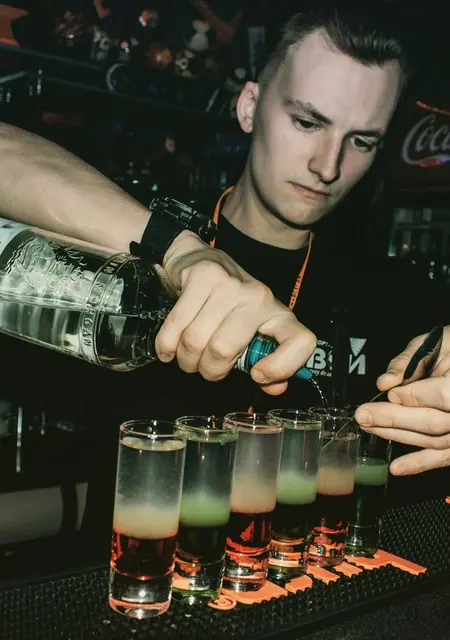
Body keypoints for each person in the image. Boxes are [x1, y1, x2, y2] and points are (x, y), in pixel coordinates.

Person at [0, 1, 447, 478]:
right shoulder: (130, 232)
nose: (328, 166)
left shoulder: (391, 295)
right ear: (250, 106)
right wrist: (179, 251)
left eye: (361, 141)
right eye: (307, 122)